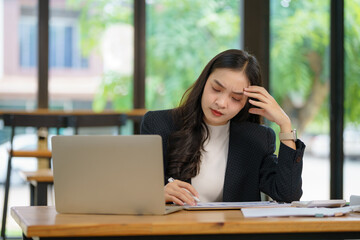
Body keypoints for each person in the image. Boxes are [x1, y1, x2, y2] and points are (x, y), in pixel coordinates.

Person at [140, 49, 305, 206]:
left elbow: (287, 195)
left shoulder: (257, 138)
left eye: (235, 98)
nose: (221, 103)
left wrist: (285, 125)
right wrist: (157, 194)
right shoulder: (159, 124)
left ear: (247, 103)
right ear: (204, 82)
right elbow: (139, 188)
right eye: (216, 89)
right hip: (177, 232)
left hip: (231, 232)